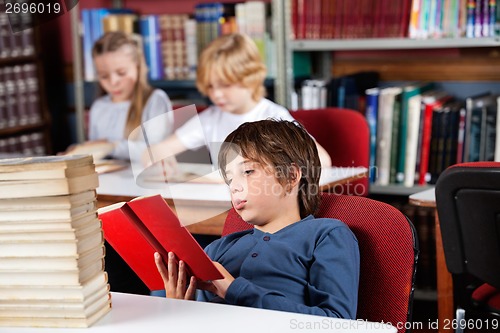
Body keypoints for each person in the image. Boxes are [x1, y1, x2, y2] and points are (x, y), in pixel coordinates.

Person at [154, 119, 360, 318]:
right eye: (229, 178)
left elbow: (336, 322)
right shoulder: (216, 249)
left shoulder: (326, 235)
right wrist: (178, 307)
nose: (234, 186)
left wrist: (234, 289)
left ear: (291, 176)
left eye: (247, 171)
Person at [143, 33, 331, 168]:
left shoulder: (274, 117)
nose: (216, 95)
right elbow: (156, 151)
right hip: (223, 208)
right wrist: (157, 158)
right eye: (210, 86)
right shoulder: (210, 119)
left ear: (250, 78)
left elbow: (321, 160)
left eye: (225, 85)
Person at [68, 31, 173, 162]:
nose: (113, 82)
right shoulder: (99, 107)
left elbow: (157, 150)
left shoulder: (155, 100)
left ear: (138, 67)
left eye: (121, 73)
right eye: (104, 76)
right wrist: (78, 152)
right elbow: (96, 154)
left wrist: (111, 146)